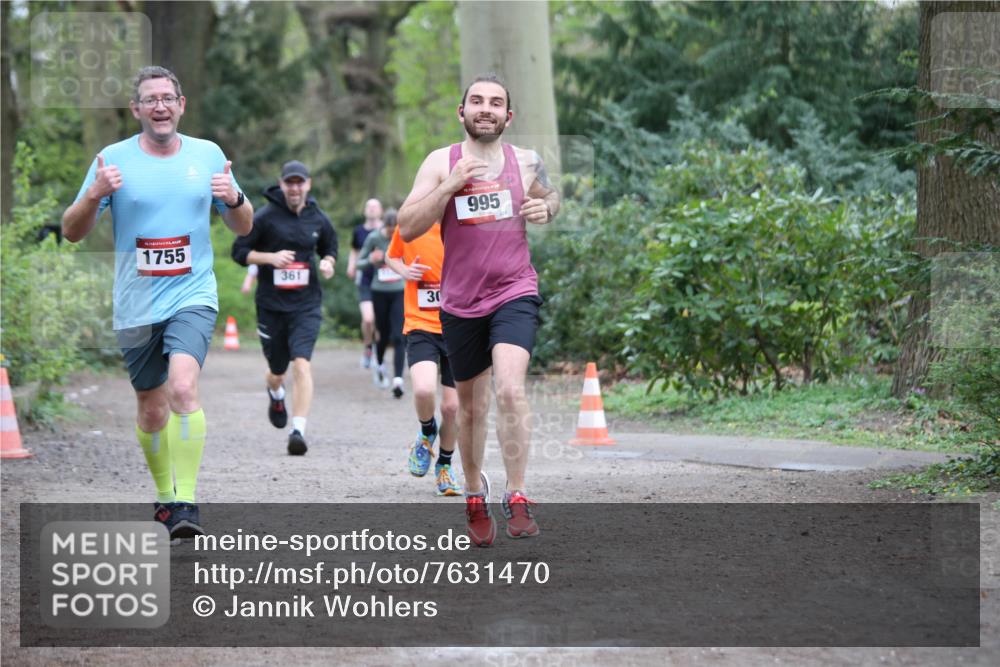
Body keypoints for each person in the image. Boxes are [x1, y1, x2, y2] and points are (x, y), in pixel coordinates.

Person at [61, 66, 253, 538]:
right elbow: (71, 231)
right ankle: (166, 497)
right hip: (136, 303)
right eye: (151, 99)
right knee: (151, 409)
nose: (160, 106)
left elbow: (243, 226)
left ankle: (186, 502)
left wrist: (234, 198)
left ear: (181, 105)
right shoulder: (112, 160)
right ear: (136, 109)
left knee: (183, 388)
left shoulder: (208, 155)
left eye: (168, 98)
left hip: (193, 294)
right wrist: (95, 194)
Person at [398, 74, 559, 546]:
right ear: (462, 112)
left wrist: (547, 208)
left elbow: (550, 196)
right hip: (460, 302)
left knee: (509, 388)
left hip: (514, 290)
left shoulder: (526, 161)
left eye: (495, 103)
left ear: (508, 116)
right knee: (470, 409)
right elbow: (407, 227)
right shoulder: (439, 162)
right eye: (476, 101)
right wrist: (449, 186)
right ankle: (474, 494)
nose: (485, 108)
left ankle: (518, 494)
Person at [232, 160, 337, 455]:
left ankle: (297, 431)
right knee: (277, 371)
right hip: (272, 306)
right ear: (281, 185)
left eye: (299, 182)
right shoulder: (264, 217)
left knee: (302, 364)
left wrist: (328, 263)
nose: (294, 188)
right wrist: (270, 258)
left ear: (308, 185)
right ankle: (276, 392)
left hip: (306, 305)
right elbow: (239, 252)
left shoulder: (318, 218)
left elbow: (330, 247)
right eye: (289, 183)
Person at [384, 220, 462, 495]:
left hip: (459, 325)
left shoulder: (462, 222)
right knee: (424, 390)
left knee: (452, 408)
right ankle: (427, 430)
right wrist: (404, 271)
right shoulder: (412, 223)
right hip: (421, 324)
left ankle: (444, 466)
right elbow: (391, 255)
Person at [357, 209, 406, 397]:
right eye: (389, 231)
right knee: (383, 335)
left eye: (395, 230)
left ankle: (398, 380)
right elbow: (359, 263)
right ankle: (378, 364)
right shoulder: (374, 238)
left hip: (399, 291)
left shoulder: (404, 236)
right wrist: (371, 259)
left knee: (399, 335)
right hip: (379, 292)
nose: (392, 234)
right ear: (384, 226)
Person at [346, 200, 382, 369]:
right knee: (368, 319)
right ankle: (368, 347)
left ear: (381, 211)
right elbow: (354, 251)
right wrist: (351, 266)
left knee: (380, 320)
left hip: (384, 280)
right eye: (369, 206)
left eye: (375, 206)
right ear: (365, 210)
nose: (372, 209)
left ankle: (378, 351)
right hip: (365, 279)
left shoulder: (387, 229)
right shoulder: (358, 231)